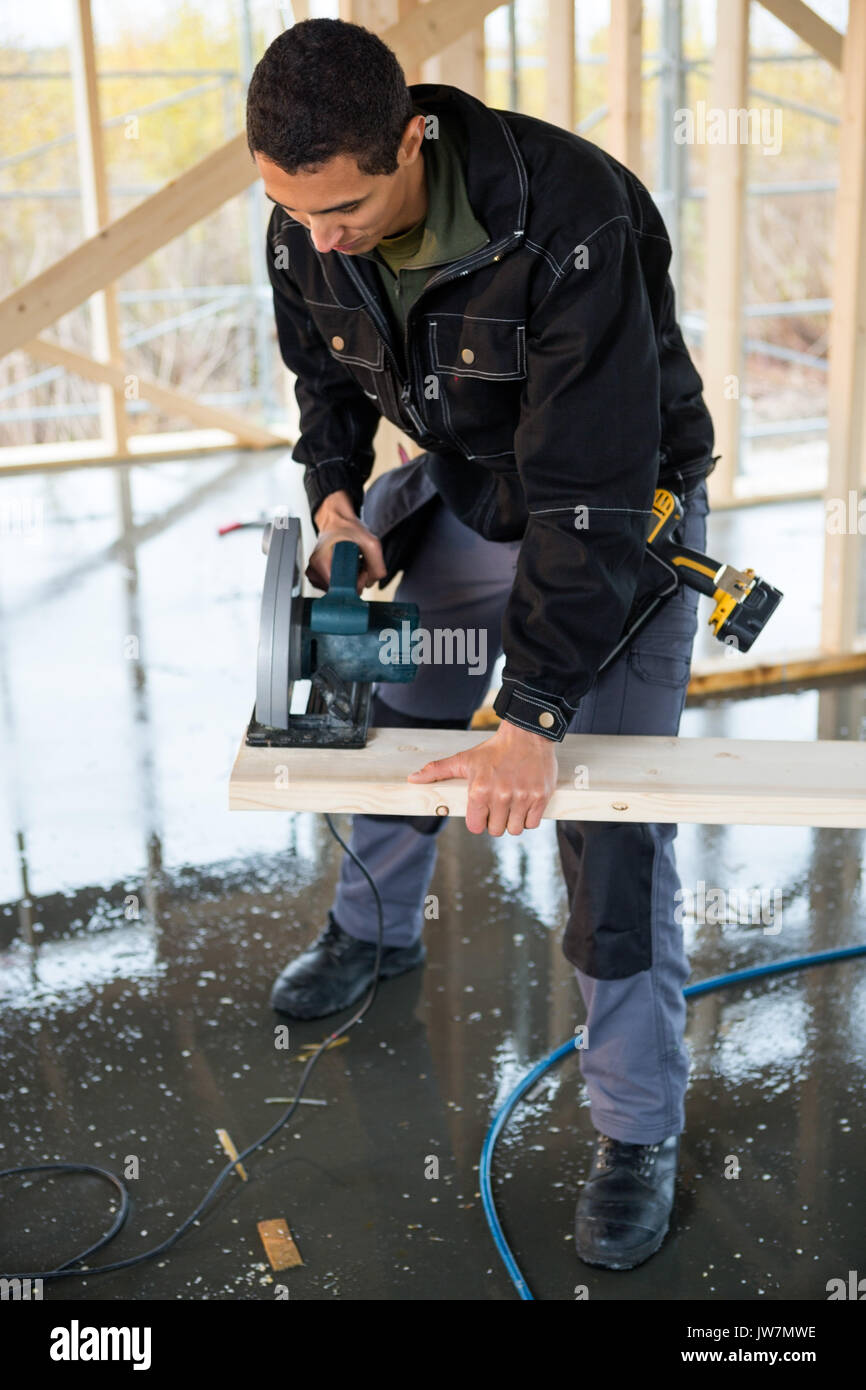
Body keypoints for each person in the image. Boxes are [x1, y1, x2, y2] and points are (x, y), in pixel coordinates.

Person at [246, 17, 716, 1272]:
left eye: (343, 206)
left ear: (411, 139)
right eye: (294, 213)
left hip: (617, 520)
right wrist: (337, 496)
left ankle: (636, 1128)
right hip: (465, 487)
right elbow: (325, 382)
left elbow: (590, 492)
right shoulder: (308, 217)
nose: (320, 235)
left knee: (602, 825)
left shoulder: (570, 216)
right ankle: (373, 927)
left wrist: (532, 716)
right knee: (386, 703)